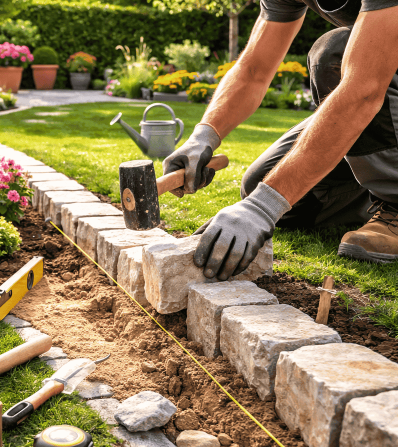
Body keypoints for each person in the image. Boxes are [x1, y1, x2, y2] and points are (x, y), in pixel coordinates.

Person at [163, 0, 398, 281]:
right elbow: (254, 70)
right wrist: (204, 136)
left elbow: (365, 90)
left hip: (375, 82)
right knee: (272, 193)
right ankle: (374, 196)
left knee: (334, 53)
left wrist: (264, 206)